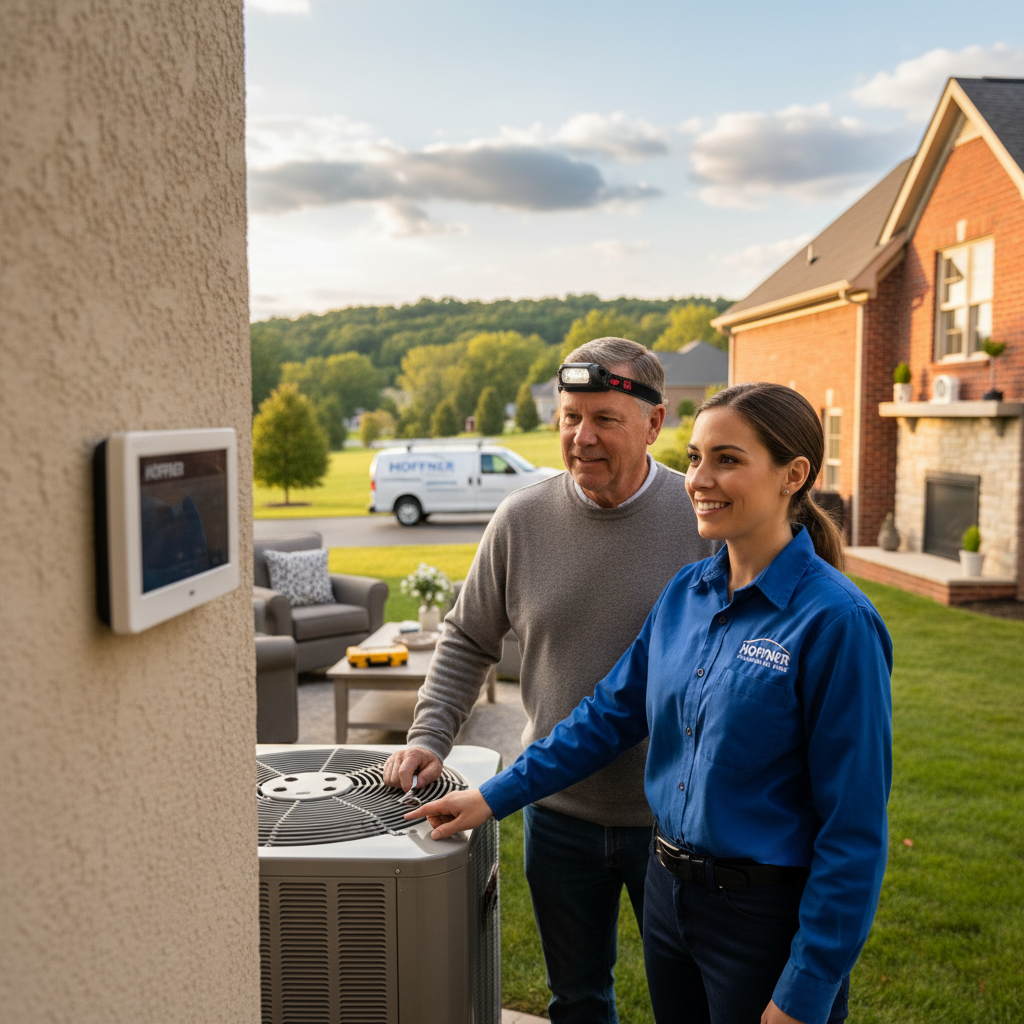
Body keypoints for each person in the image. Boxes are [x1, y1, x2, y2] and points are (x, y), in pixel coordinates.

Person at [412, 382, 893, 1024]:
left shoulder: (836, 623)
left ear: (793, 475)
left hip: (763, 921)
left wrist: (806, 988)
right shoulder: (686, 595)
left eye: (727, 459)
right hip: (670, 902)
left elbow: (854, 832)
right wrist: (492, 796)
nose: (699, 479)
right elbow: (605, 718)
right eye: (694, 458)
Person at [383, 337, 713, 1024]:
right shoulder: (521, 520)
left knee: (694, 1006)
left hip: (679, 822)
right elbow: (468, 637)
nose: (581, 437)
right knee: (579, 999)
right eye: (569, 417)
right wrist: (428, 736)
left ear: (654, 425)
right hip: (557, 812)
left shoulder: (704, 521)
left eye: (604, 420)